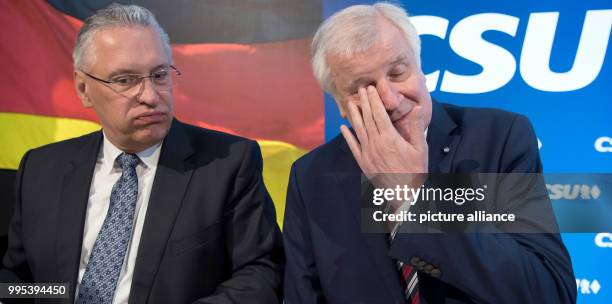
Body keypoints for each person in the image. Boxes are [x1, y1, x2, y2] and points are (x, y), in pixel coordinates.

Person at [283, 2, 575, 303]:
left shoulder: (497, 139)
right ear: (341, 105)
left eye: (398, 72)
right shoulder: (312, 177)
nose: (391, 100)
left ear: (421, 69)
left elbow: (549, 292)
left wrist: (416, 196)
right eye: (363, 88)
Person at [0, 4, 283, 303]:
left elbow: (262, 275)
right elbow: (17, 280)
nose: (150, 96)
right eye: (125, 80)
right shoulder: (41, 168)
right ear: (83, 89)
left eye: (159, 75)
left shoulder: (227, 164)